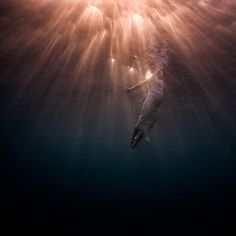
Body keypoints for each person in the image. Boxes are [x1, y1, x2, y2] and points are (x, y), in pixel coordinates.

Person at [124, 38, 169, 149]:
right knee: (144, 120)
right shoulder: (155, 74)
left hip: (156, 99)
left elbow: (151, 88)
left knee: (148, 123)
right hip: (157, 99)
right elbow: (145, 84)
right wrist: (132, 89)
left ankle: (134, 142)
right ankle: (132, 141)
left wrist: (143, 97)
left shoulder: (158, 75)